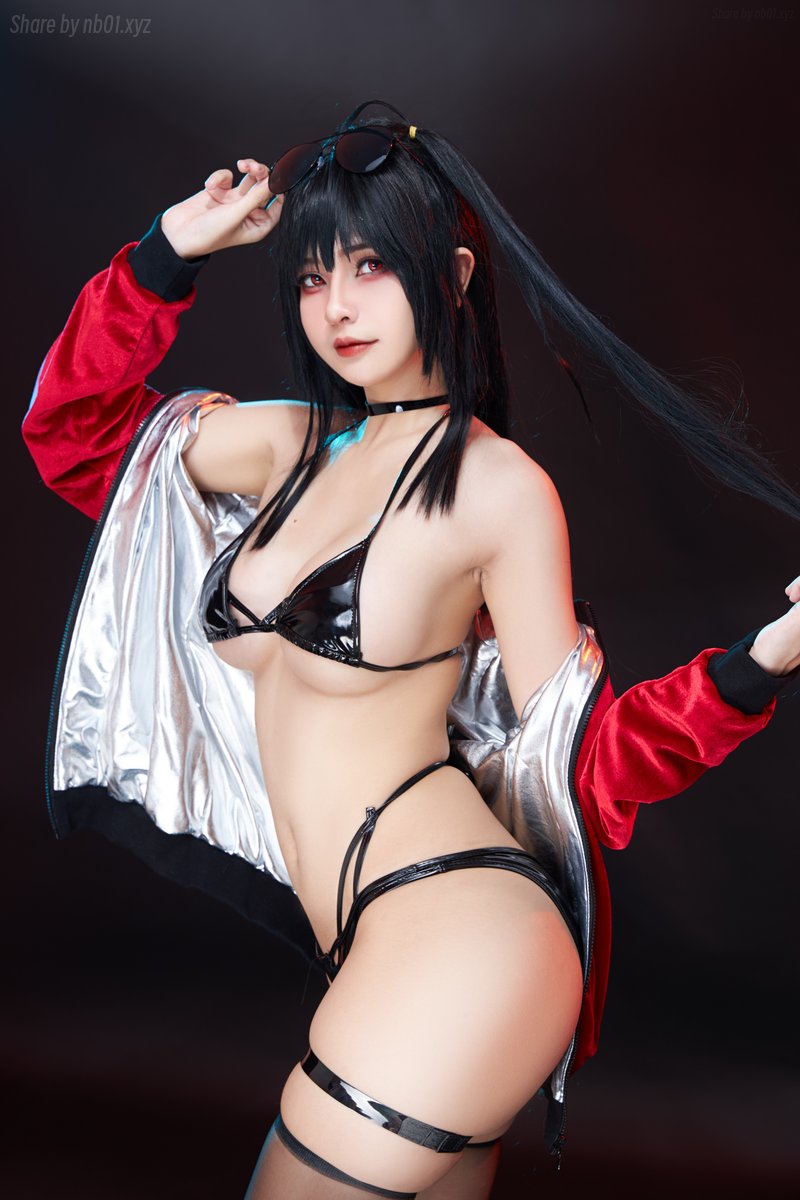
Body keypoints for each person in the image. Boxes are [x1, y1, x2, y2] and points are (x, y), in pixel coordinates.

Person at [22, 99, 800, 1199]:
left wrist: (763, 659)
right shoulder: (283, 445)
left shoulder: (496, 490)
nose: (337, 306)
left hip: (463, 934)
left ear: (455, 275)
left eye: (371, 266)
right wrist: (166, 252)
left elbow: (585, 760)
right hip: (375, 941)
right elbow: (76, 433)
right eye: (310, 276)